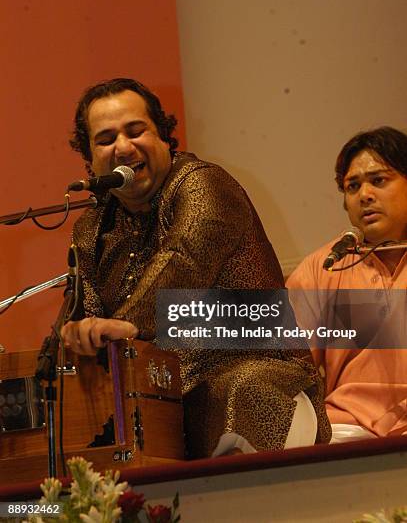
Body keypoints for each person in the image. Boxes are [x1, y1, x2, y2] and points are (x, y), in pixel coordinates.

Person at [61, 77, 330, 457]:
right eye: (105, 139)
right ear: (89, 159)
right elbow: (85, 317)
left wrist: (126, 325)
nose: (122, 147)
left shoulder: (204, 184)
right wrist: (77, 336)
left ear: (164, 137)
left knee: (244, 389)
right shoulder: (91, 231)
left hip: (258, 382)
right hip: (162, 402)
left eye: (136, 131)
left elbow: (184, 260)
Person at [287, 126, 407, 442]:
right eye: (352, 186)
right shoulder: (324, 267)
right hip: (350, 427)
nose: (364, 194)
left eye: (379, 180)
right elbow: (290, 367)